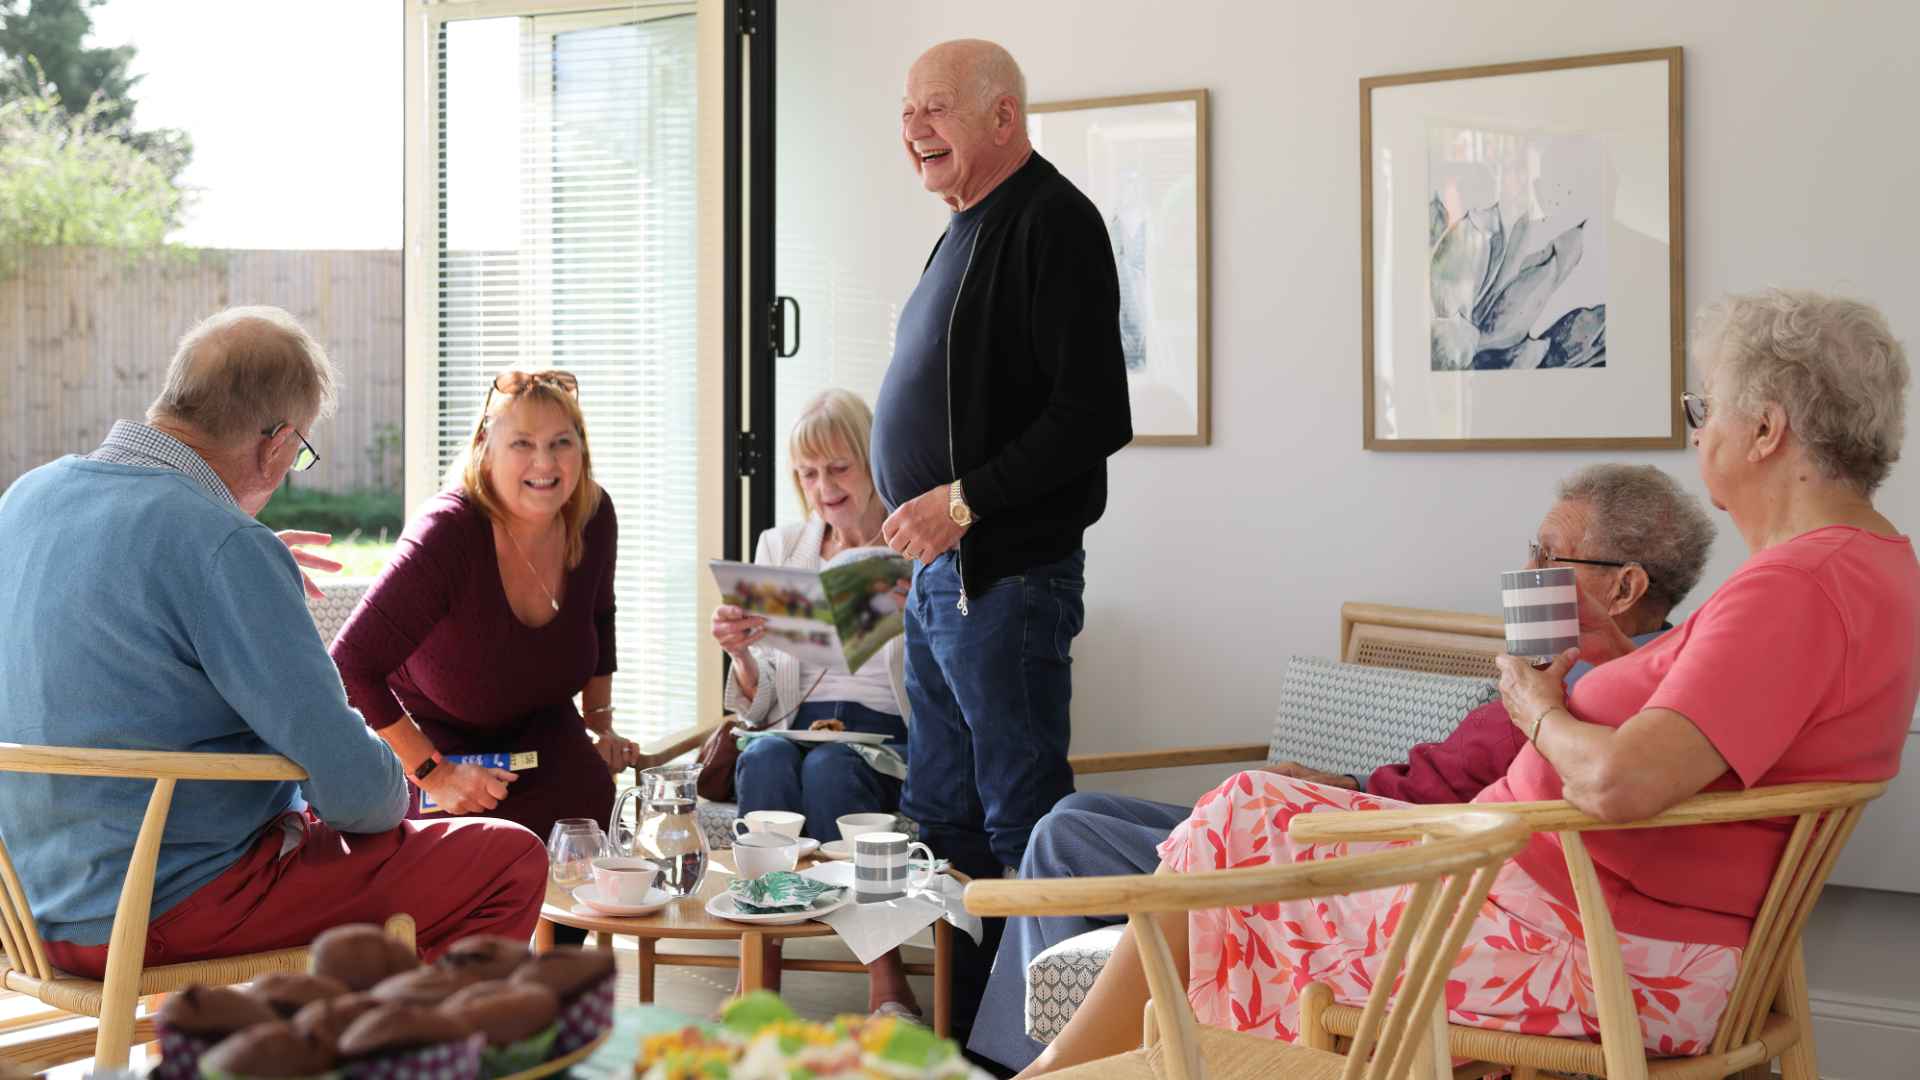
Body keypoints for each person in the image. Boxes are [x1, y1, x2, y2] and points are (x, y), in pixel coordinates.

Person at [1016, 289, 1919, 1076]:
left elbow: (1619, 780)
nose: (1695, 430)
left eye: (1705, 408)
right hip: (1566, 909)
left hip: (1593, 948)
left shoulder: (1798, 586)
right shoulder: (1871, 569)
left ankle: (1065, 1073)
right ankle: (1074, 1070)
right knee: (1243, 814)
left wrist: (1536, 709)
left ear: (1766, 432)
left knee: (1233, 832)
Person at [969, 462, 1718, 1070]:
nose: (1526, 570)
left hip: (1393, 855)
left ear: (1625, 587)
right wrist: (1347, 786)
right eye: (1532, 549)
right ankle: (1065, 1055)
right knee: (1077, 820)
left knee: (1068, 830)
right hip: (1359, 811)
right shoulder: (1549, 667)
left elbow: (1494, 809)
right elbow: (1447, 771)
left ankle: (1033, 1063)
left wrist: (1348, 802)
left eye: (1548, 557)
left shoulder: (1603, 695)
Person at [0, 307, 548, 974]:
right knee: (508, 858)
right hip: (163, 911)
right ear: (279, 443)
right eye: (301, 451)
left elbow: (113, 608)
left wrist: (234, 567)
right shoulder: (220, 546)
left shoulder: (26, 499)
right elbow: (357, 796)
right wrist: (409, 786)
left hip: (26, 910)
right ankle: (396, 1049)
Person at [871, 37, 1133, 1040]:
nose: (913, 128)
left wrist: (962, 503)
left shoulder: (1054, 221)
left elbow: (1090, 416)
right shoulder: (964, 228)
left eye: (933, 107)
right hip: (942, 581)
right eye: (905, 111)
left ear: (1001, 117)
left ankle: (1052, 1048)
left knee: (1025, 824)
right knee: (941, 816)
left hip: (1004, 576)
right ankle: (963, 1034)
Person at [331, 369, 637, 860]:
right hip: (435, 739)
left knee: (587, 798)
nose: (545, 461)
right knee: (481, 846)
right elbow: (348, 664)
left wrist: (601, 725)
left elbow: (600, 614)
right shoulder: (448, 533)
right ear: (484, 447)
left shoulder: (593, 514)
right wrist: (435, 772)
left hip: (543, 728)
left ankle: (554, 941)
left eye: (562, 442)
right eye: (522, 443)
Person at [712, 389, 922, 1018]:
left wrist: (920, 615)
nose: (823, 487)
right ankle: (762, 976)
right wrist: (743, 654)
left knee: (832, 771)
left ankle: (888, 980)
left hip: (884, 738)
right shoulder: (782, 547)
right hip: (798, 729)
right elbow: (762, 703)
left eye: (838, 468)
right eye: (807, 473)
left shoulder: (914, 540)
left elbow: (943, 682)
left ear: (871, 460)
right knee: (767, 757)